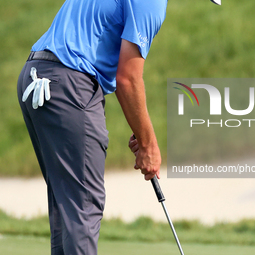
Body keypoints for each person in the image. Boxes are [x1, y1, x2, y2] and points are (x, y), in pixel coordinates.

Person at [17, 0, 167, 254]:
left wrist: (143, 135)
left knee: (68, 210)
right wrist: (148, 145)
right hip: (69, 84)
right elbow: (127, 79)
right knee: (83, 209)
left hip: (37, 73)